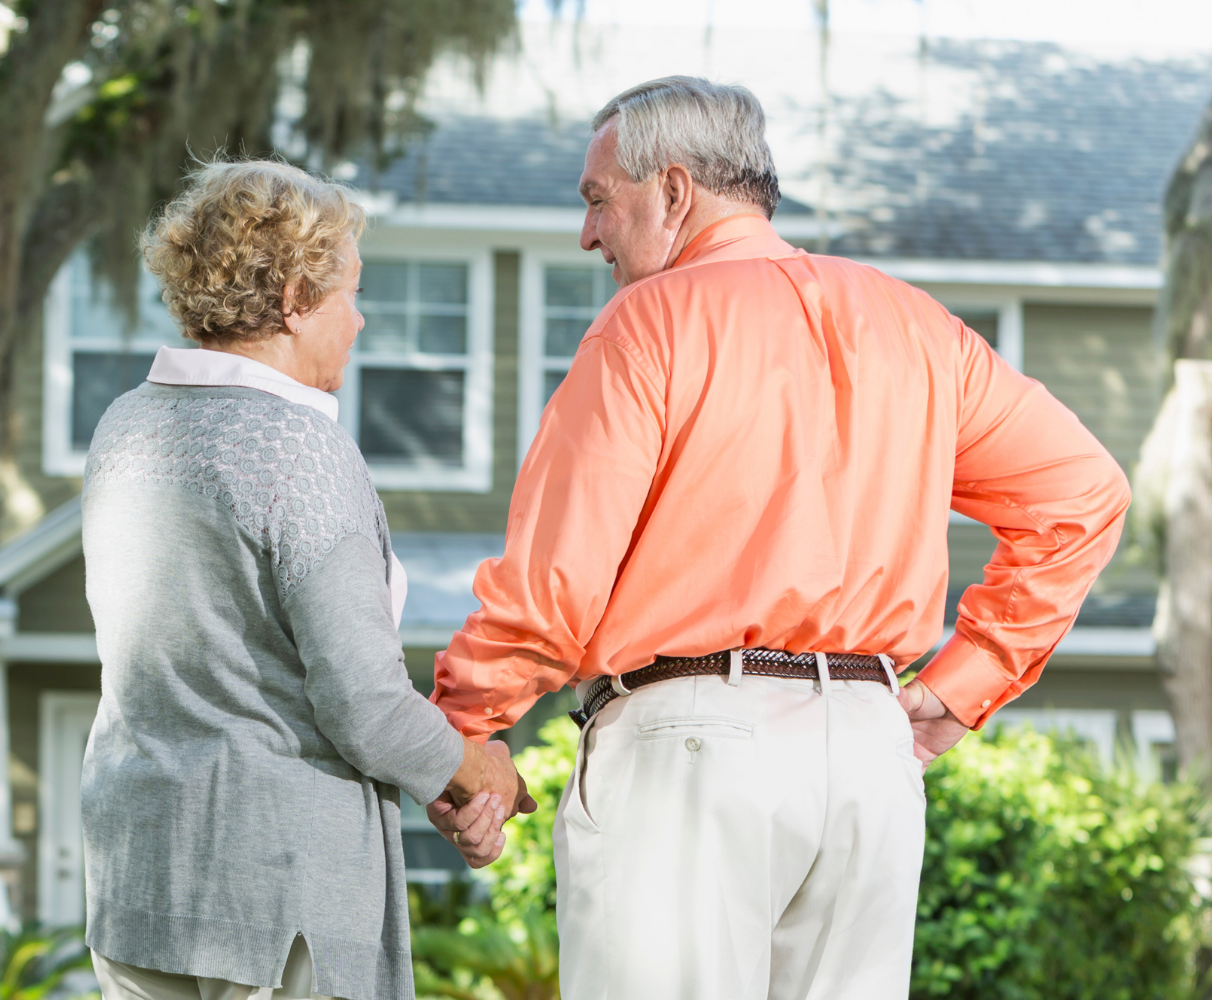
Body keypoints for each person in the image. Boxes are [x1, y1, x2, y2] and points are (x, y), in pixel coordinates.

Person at [426, 77, 1132, 998]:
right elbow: (1081, 495)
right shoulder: (914, 325)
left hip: (692, 751)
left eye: (599, 201)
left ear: (674, 192)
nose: (588, 235)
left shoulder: (649, 324)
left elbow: (554, 586)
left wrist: (463, 732)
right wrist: (963, 687)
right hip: (870, 761)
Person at [78, 159, 524, 1000]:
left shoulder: (124, 426)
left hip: (138, 881)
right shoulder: (298, 447)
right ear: (291, 298)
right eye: (348, 293)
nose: (357, 321)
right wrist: (481, 771)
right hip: (275, 894)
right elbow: (364, 704)